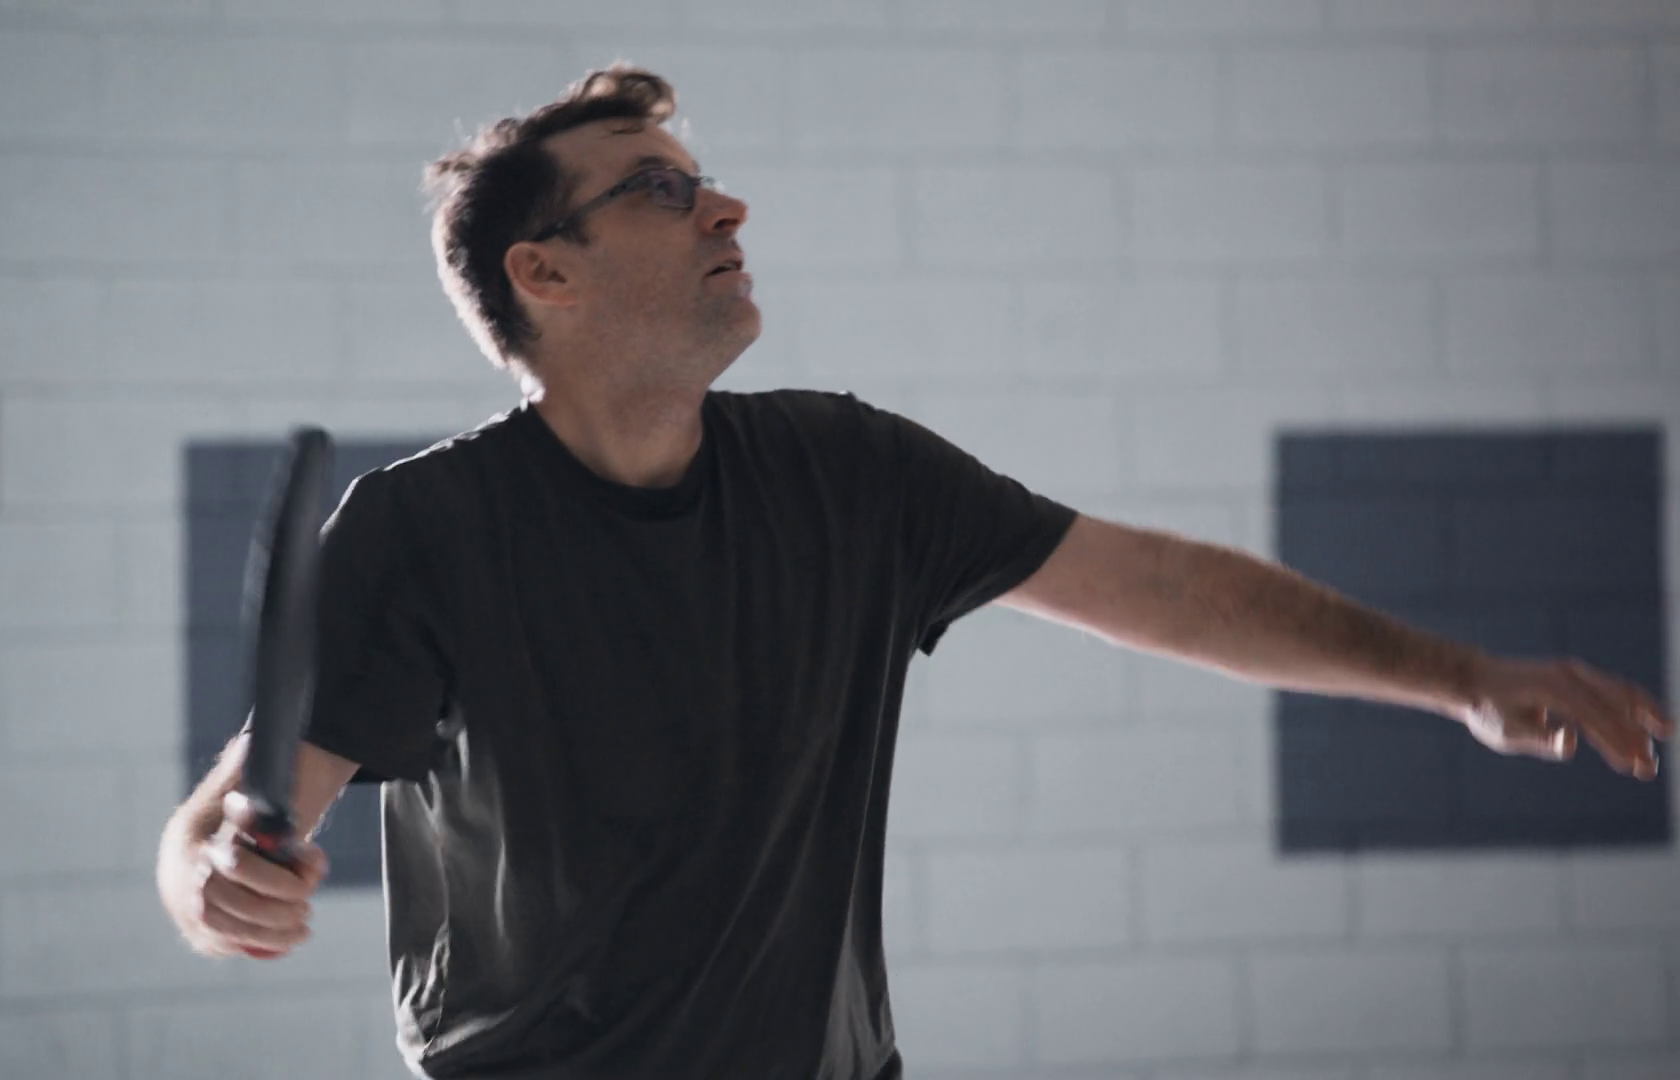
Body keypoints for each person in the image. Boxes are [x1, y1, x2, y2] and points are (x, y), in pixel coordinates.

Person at [155, 66, 1671, 1080]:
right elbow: (235, 811)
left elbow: (1160, 588)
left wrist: (1461, 680)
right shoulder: (427, 528)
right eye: (660, 191)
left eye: (706, 179)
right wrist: (213, 880)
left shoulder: (849, 474)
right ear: (542, 273)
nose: (727, 208)